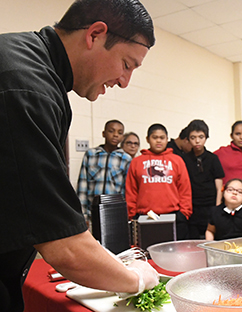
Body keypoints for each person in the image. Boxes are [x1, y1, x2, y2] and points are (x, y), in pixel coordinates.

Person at [0, 1, 158, 311]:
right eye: (126, 64)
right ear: (96, 34)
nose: (124, 83)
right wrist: (134, 279)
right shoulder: (25, 86)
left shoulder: (33, 69)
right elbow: (65, 248)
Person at [126, 123, 192, 240]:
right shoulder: (137, 162)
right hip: (145, 217)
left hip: (173, 216)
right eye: (154, 137)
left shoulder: (177, 160)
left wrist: (184, 213)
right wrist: (132, 215)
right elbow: (131, 190)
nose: (158, 141)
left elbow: (184, 188)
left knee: (173, 255)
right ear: (147, 139)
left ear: (167, 139)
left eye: (162, 138)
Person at [77, 119, 132, 221]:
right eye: (111, 131)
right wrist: (82, 214)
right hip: (92, 211)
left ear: (122, 137)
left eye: (119, 133)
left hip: (115, 212)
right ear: (104, 133)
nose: (115, 135)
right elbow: (82, 186)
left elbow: (126, 190)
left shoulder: (126, 159)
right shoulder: (91, 154)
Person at [183, 119, 225, 239]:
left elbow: (219, 187)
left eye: (201, 137)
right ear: (188, 139)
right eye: (193, 137)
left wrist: (217, 208)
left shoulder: (213, 159)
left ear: (206, 137)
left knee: (212, 241)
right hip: (192, 208)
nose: (197, 141)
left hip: (211, 206)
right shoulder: (183, 159)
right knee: (193, 243)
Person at [214, 121, 242, 189]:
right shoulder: (221, 153)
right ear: (231, 136)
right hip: (229, 196)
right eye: (238, 134)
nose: (241, 137)